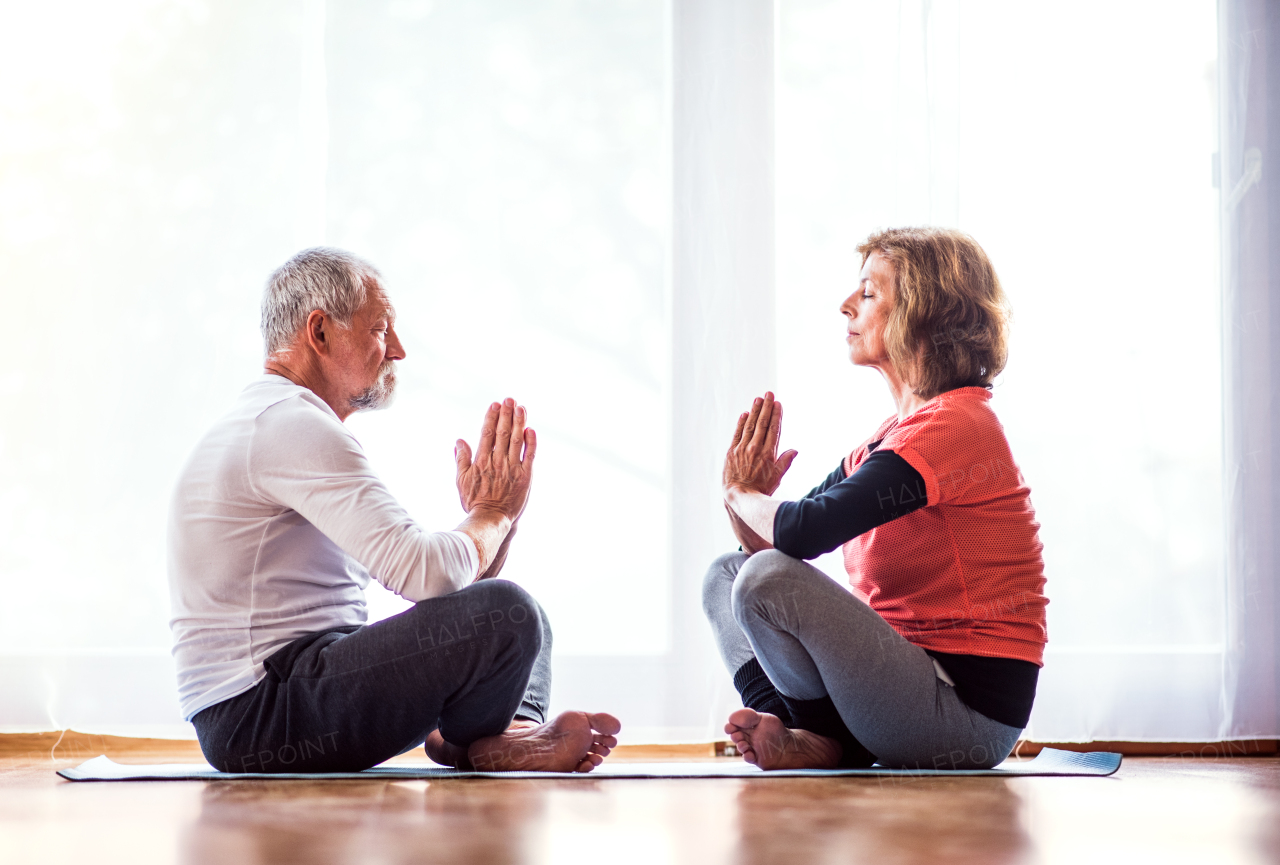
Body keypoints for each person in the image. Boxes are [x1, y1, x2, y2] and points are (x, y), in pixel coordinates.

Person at [168, 247, 619, 774]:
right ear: (319, 332)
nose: (399, 351)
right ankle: (490, 736)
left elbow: (448, 589)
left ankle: (494, 737)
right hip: (260, 713)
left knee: (523, 613)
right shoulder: (286, 423)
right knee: (506, 612)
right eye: (381, 329)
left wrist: (501, 521)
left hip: (286, 693)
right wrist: (491, 512)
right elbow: (425, 573)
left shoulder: (281, 423)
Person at [703, 227, 1048, 770]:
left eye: (867, 293)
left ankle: (819, 737)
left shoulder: (957, 423)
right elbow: (777, 543)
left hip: (964, 712)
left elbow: (801, 532)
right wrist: (743, 502)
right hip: (897, 689)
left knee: (763, 578)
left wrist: (741, 493)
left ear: (923, 311)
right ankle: (803, 736)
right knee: (727, 576)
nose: (845, 306)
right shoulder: (892, 433)